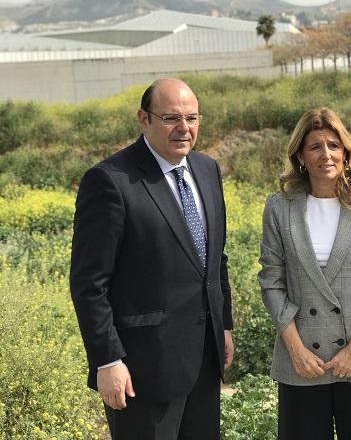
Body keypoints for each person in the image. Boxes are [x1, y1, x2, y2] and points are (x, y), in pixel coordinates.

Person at [70, 78, 234, 440]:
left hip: (203, 362)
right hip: (140, 370)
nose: (184, 128)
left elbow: (213, 258)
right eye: (171, 118)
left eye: (192, 118)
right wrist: (108, 360)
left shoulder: (207, 170)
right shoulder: (110, 181)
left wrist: (223, 325)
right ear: (143, 119)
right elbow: (89, 284)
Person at [258, 107, 351, 440]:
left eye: (334, 145)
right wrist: (296, 350)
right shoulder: (279, 206)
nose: (326, 154)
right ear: (301, 156)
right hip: (302, 362)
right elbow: (271, 281)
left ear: (346, 151)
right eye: (315, 146)